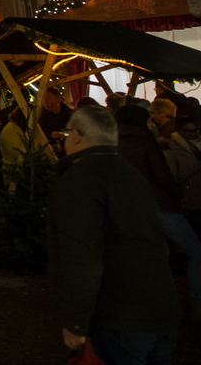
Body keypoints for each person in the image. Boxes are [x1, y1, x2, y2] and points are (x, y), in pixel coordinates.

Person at [47, 105, 184, 362]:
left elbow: (81, 256)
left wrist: (76, 322)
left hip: (120, 318)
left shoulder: (81, 178)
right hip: (160, 310)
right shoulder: (130, 173)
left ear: (76, 135)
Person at [116, 103, 201, 325]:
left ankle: (150, 307)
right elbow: (163, 177)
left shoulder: (114, 145)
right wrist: (177, 194)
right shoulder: (148, 144)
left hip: (132, 210)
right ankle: (197, 307)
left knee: (150, 257)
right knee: (198, 254)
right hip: (162, 208)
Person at [164, 117, 201, 275]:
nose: (192, 134)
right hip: (191, 202)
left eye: (194, 130)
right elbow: (172, 178)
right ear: (179, 131)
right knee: (199, 243)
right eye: (187, 130)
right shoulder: (171, 150)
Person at [1, 105, 56, 188]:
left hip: (22, 174)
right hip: (16, 177)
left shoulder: (18, 128)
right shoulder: (13, 131)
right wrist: (44, 154)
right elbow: (20, 154)